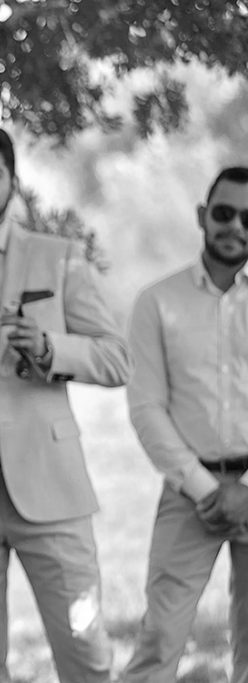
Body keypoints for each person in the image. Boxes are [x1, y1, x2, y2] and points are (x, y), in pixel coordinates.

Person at [0, 119, 131, 683]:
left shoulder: (60, 258)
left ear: (13, 180)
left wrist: (51, 348)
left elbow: (115, 358)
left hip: (52, 488)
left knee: (85, 653)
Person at [122, 166, 248, 682]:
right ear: (203, 216)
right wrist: (206, 489)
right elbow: (147, 408)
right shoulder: (156, 302)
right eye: (224, 213)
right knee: (159, 643)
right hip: (187, 492)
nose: (235, 226)